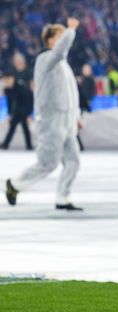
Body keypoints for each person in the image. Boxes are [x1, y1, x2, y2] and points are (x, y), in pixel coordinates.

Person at [5, 18, 83, 210]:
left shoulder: (64, 66)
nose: (64, 39)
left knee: (73, 161)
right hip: (50, 120)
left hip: (66, 121)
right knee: (47, 163)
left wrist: (76, 117)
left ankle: (62, 198)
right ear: (49, 40)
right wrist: (71, 30)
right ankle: (14, 185)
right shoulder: (45, 59)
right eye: (60, 35)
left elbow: (71, 94)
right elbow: (59, 52)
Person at [2, 52, 33, 150]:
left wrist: (30, 113)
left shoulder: (28, 72)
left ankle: (28, 145)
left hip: (26, 102)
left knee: (24, 127)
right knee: (14, 126)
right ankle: (6, 144)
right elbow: (8, 90)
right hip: (17, 103)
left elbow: (31, 90)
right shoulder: (13, 72)